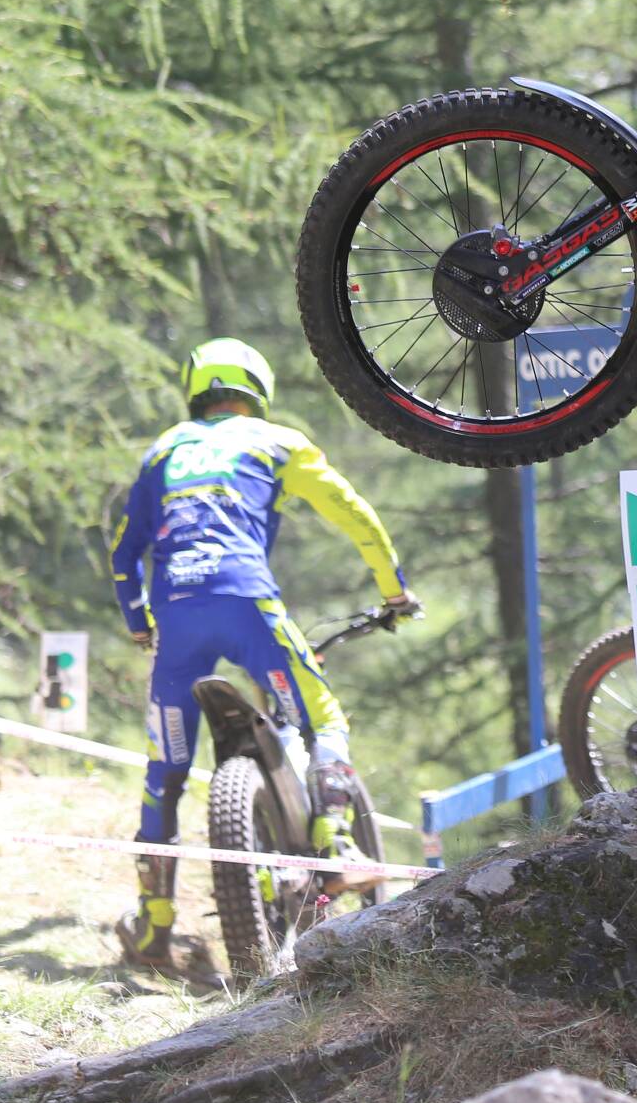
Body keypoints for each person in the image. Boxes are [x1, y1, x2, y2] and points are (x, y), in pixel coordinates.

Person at [107, 339, 418, 971]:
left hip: (176, 616)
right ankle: (337, 843)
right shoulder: (277, 441)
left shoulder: (162, 449)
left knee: (164, 769)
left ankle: (152, 924)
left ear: (196, 389)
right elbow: (353, 513)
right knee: (322, 715)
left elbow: (122, 551)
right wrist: (393, 589)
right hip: (249, 606)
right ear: (259, 388)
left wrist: (140, 624)